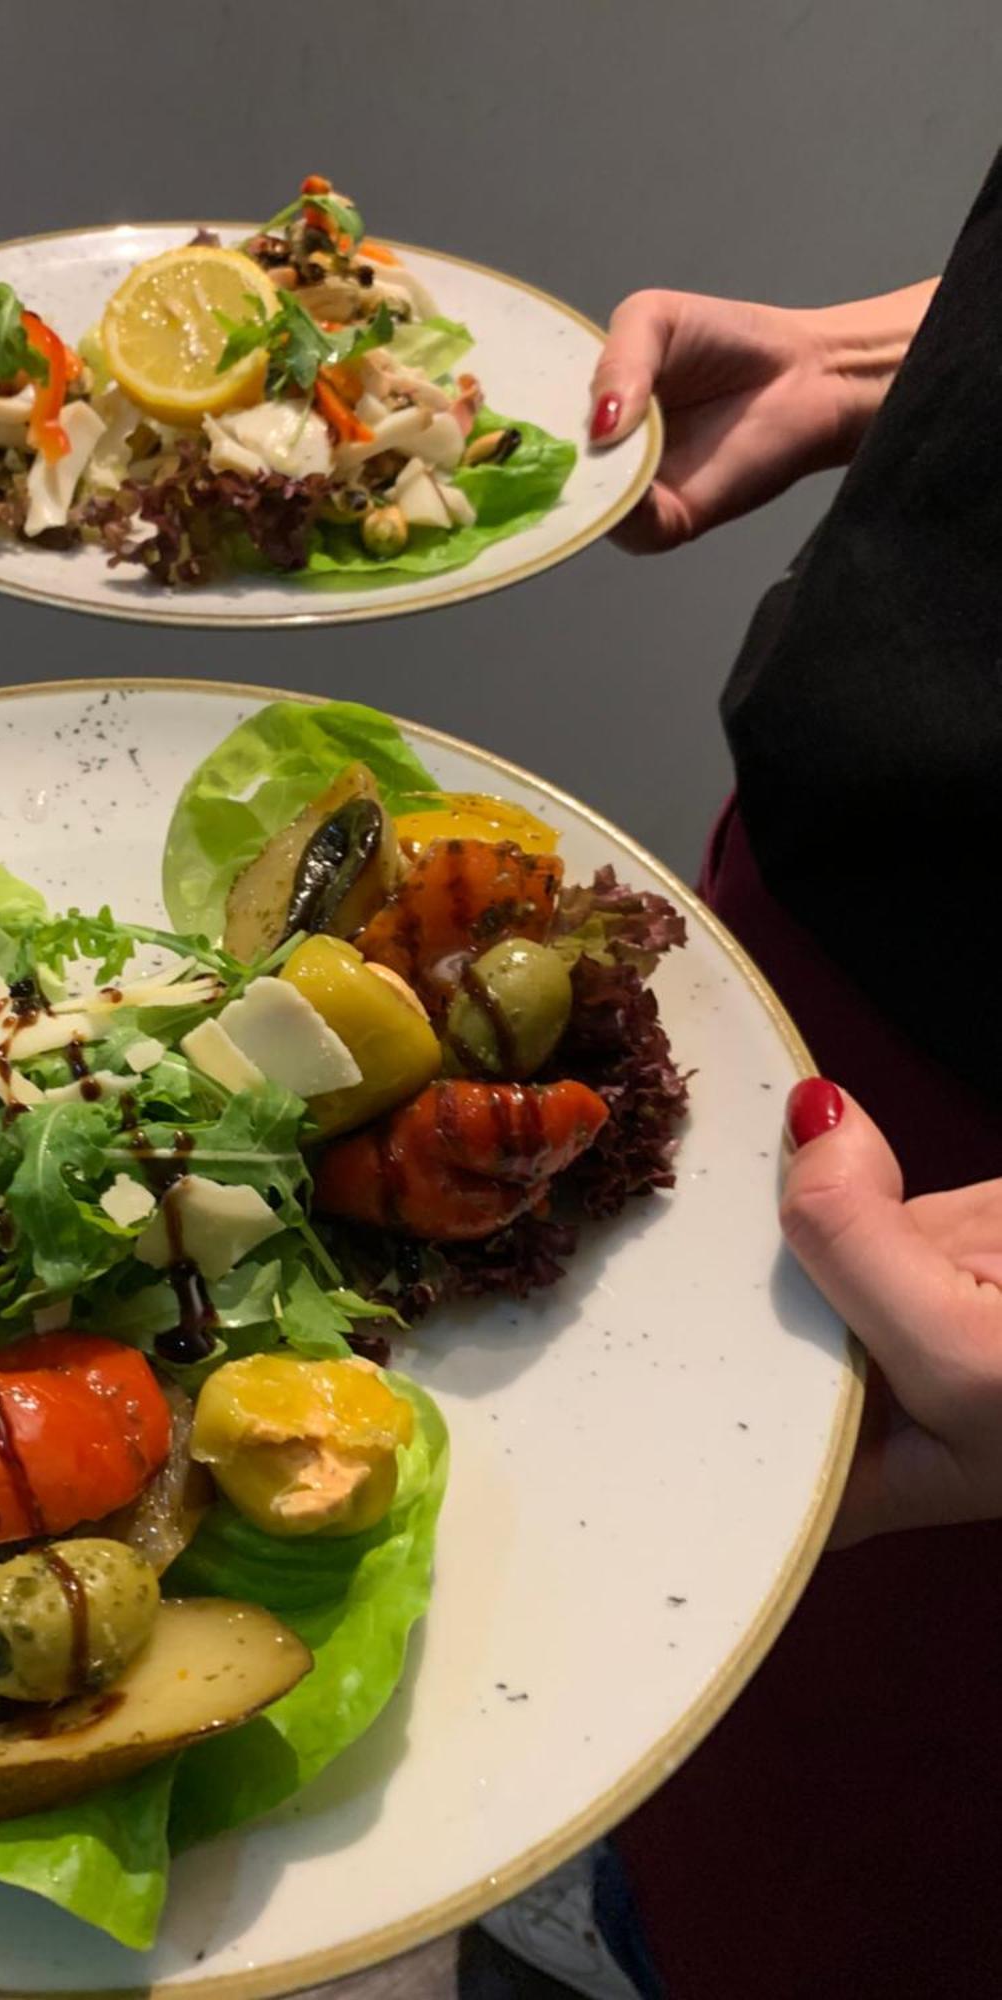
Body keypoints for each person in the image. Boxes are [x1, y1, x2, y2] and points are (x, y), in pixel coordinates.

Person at [508, 155, 1002, 1997]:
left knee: (857, 1898)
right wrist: (906, 365)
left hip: (980, 1225)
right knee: (682, 1702)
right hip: (811, 941)